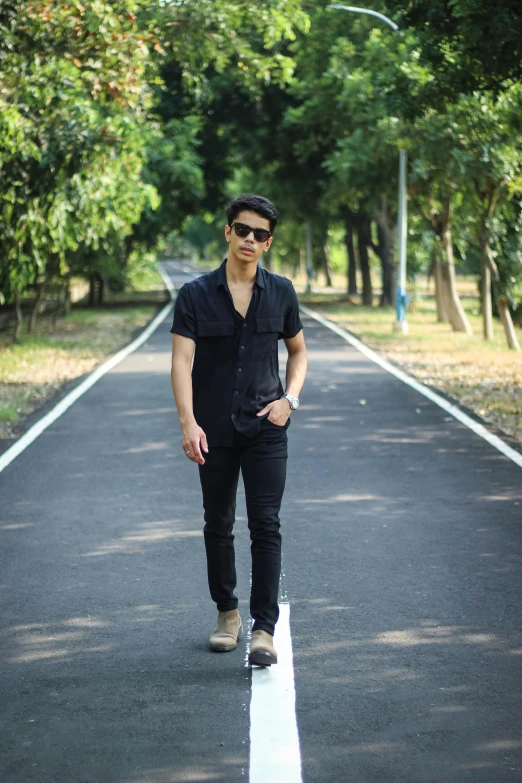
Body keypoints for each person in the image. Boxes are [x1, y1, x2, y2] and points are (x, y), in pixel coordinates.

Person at [170, 194, 308, 666]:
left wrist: (289, 401)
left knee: (266, 525)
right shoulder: (194, 294)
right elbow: (181, 362)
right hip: (213, 430)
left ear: (269, 243)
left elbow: (299, 353)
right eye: (243, 230)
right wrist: (188, 423)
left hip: (267, 426)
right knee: (219, 523)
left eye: (261, 234)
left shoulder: (282, 292)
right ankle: (227, 613)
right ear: (228, 232)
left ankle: (263, 629)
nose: (251, 239)